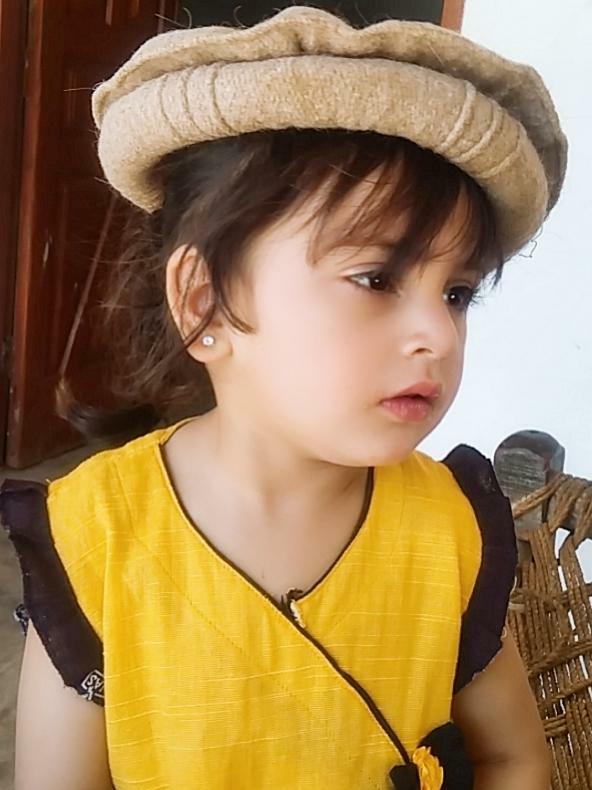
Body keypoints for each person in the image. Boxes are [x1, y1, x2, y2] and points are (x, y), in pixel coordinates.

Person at [0, 6, 566, 789]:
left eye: (458, 293)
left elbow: (514, 757)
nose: (438, 333)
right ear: (204, 302)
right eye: (376, 278)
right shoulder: (96, 540)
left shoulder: (450, 529)